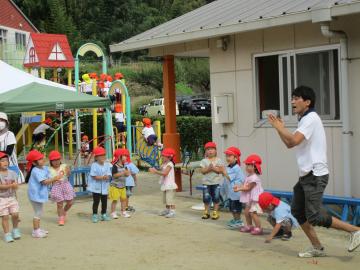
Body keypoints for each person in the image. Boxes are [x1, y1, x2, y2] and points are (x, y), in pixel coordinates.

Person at [268, 85, 360, 257]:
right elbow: (290, 144)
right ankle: (317, 247)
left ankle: (355, 231)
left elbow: (293, 140)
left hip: (315, 175)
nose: (292, 101)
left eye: (296, 98)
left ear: (307, 102)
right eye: (292, 98)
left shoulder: (311, 118)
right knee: (297, 211)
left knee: (315, 216)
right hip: (306, 176)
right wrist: (278, 128)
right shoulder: (304, 120)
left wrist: (280, 128)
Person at [26, 150, 60, 238]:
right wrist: (55, 179)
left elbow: (49, 175)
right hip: (35, 195)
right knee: (38, 212)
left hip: (39, 194)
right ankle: (35, 231)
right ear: (34, 162)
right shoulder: (35, 171)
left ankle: (38, 229)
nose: (42, 159)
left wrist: (56, 176)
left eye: (42, 157)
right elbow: (44, 182)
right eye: (39, 159)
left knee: (39, 211)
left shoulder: (44, 168)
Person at [234, 154, 264, 235]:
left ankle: (258, 228)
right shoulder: (249, 176)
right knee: (247, 212)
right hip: (249, 198)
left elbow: (249, 188)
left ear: (254, 166)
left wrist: (239, 189)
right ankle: (249, 225)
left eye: (249, 165)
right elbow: (245, 186)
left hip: (254, 198)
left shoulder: (254, 177)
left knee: (253, 213)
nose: (246, 167)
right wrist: (239, 186)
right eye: (246, 165)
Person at [220, 146, 245, 228]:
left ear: (236, 158)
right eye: (226, 156)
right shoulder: (229, 166)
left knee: (236, 208)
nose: (227, 158)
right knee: (232, 207)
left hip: (236, 193)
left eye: (229, 156)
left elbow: (229, 177)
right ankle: (235, 220)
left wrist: (223, 171)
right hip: (231, 192)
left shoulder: (236, 168)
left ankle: (238, 221)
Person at [48, 151, 75, 226]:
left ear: (60, 159)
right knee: (59, 204)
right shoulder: (49, 169)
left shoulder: (64, 166)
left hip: (66, 184)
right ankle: (61, 218)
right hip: (56, 186)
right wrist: (54, 179)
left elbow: (69, 174)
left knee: (70, 202)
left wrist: (68, 171)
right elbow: (48, 179)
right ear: (51, 161)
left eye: (57, 159)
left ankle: (64, 212)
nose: (56, 162)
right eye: (54, 160)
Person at [149, 148, 177, 218]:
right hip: (165, 184)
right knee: (166, 199)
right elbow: (160, 169)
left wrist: (155, 171)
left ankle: (173, 211)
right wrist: (154, 169)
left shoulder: (170, 164)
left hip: (170, 185)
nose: (162, 157)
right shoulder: (164, 163)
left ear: (169, 157)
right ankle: (167, 210)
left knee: (170, 199)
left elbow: (165, 173)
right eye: (162, 156)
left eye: (164, 156)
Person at [200, 142, 224, 220]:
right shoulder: (204, 161)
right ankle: (206, 212)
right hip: (206, 183)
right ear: (206, 152)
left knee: (216, 198)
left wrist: (213, 168)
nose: (210, 151)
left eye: (212, 149)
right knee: (206, 198)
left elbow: (220, 170)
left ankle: (215, 212)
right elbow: (202, 171)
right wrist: (209, 168)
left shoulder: (219, 160)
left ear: (215, 151)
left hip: (216, 182)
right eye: (208, 149)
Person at [87, 147, 112, 223]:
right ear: (96, 157)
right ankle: (94, 215)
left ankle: (103, 214)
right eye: (100, 156)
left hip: (104, 187)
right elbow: (93, 176)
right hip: (96, 187)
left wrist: (108, 176)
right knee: (96, 201)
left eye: (104, 155)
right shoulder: (94, 165)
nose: (102, 157)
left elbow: (109, 174)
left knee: (104, 201)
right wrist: (102, 177)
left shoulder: (107, 165)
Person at [0, 152, 21, 243]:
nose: (5, 162)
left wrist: (15, 186)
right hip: (2, 199)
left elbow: (16, 186)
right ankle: (7, 234)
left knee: (15, 214)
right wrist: (11, 185)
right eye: (2, 161)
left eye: (6, 161)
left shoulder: (12, 173)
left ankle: (15, 229)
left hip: (12, 197)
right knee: (5, 217)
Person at [0, 112, 25, 183]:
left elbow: (9, 152)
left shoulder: (9, 134)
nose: (0, 122)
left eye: (2, 120)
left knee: (11, 188)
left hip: (10, 165)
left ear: (6, 122)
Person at [110, 149, 131, 219]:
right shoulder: (115, 166)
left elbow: (127, 174)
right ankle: (113, 212)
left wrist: (128, 173)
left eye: (126, 156)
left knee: (123, 199)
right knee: (115, 200)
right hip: (115, 186)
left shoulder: (125, 166)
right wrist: (122, 173)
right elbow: (114, 175)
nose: (126, 157)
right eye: (124, 156)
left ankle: (123, 211)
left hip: (123, 186)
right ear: (119, 157)